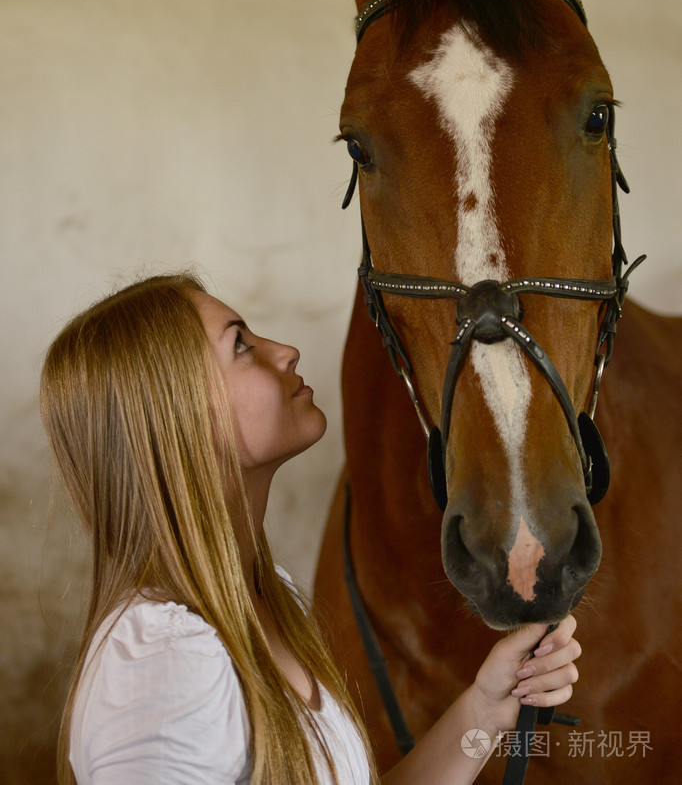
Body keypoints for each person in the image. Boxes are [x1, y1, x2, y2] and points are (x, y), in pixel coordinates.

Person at [41, 272, 582, 785]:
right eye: (241, 346)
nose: (285, 350)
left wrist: (484, 710)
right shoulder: (159, 660)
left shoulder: (271, 601)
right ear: (173, 414)